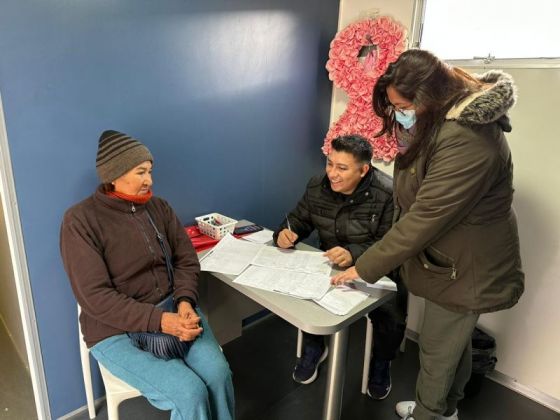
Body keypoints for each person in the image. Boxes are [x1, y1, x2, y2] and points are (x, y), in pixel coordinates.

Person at [331, 50, 525, 420]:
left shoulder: (468, 138)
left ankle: (429, 413)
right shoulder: (435, 121)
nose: (399, 115)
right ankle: (445, 410)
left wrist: (364, 266)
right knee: (454, 345)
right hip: (449, 258)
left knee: (438, 351)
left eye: (403, 107)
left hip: (466, 266)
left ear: (429, 98)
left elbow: (426, 216)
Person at [60, 130, 235, 420]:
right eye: (141, 172)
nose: (150, 181)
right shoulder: (79, 222)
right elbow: (95, 297)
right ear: (114, 175)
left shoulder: (160, 208)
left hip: (174, 310)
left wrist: (185, 302)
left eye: (150, 171)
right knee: (189, 392)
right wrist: (160, 321)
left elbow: (186, 260)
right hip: (113, 331)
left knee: (218, 375)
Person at [273, 135, 407, 399]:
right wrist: (285, 233)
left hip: (378, 269)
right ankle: (314, 349)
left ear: (364, 169)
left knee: (391, 315)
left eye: (342, 168)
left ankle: (381, 364)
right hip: (331, 265)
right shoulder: (316, 186)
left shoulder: (389, 193)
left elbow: (391, 242)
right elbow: (297, 219)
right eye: (330, 163)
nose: (332, 173)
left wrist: (354, 255)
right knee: (306, 296)